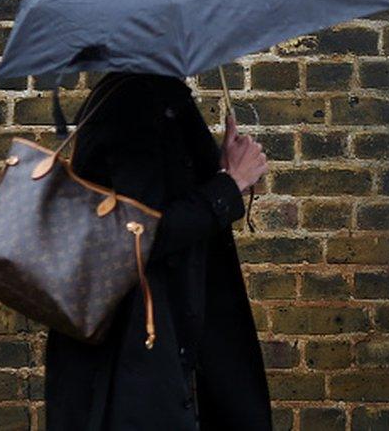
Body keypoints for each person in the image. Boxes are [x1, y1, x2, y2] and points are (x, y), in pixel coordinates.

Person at [44, 72, 272, 430]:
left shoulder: (154, 94)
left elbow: (163, 195)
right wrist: (230, 184)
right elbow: (140, 232)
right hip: (134, 350)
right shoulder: (133, 102)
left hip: (156, 340)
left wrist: (222, 170)